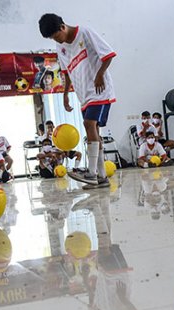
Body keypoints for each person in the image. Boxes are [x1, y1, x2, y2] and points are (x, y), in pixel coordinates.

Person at [39, 13, 116, 189]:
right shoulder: (61, 48)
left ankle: (91, 173)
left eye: (55, 36)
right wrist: (65, 93)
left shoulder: (85, 33)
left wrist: (99, 75)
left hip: (99, 90)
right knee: (93, 130)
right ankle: (102, 177)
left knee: (90, 124)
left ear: (62, 27)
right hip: (83, 95)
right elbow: (66, 72)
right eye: (51, 39)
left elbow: (109, 54)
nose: (56, 41)